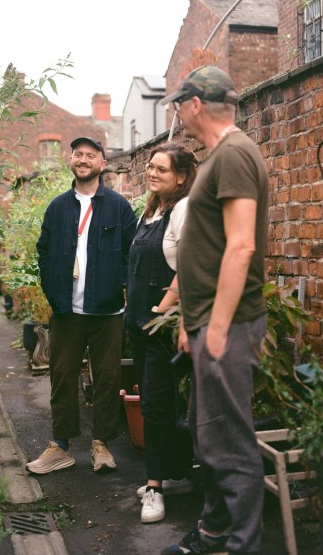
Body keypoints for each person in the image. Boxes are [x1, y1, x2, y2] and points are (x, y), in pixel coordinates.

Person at [159, 66, 270, 555]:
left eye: (178, 104)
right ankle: (213, 532)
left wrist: (219, 326)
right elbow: (206, 247)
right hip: (207, 323)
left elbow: (241, 246)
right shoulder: (219, 156)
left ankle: (241, 545)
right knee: (210, 438)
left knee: (230, 444)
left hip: (229, 324)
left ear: (195, 104)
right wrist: (190, 322)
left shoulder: (235, 154)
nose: (177, 113)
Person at [28, 136, 137, 474]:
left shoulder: (118, 207)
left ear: (102, 164)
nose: (83, 159)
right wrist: (53, 291)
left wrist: (116, 287)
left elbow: (130, 254)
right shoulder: (58, 207)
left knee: (106, 377)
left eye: (91, 155)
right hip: (66, 310)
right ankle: (60, 446)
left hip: (106, 312)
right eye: (78, 154)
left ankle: (101, 444)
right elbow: (44, 251)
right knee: (62, 375)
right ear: (71, 160)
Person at [124, 142, 198, 524]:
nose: (152, 173)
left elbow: (188, 266)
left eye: (162, 170)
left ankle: (154, 487)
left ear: (181, 178)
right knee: (159, 401)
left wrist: (160, 308)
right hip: (138, 323)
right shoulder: (151, 210)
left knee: (155, 404)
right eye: (151, 167)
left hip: (159, 325)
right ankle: (175, 474)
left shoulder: (183, 210)